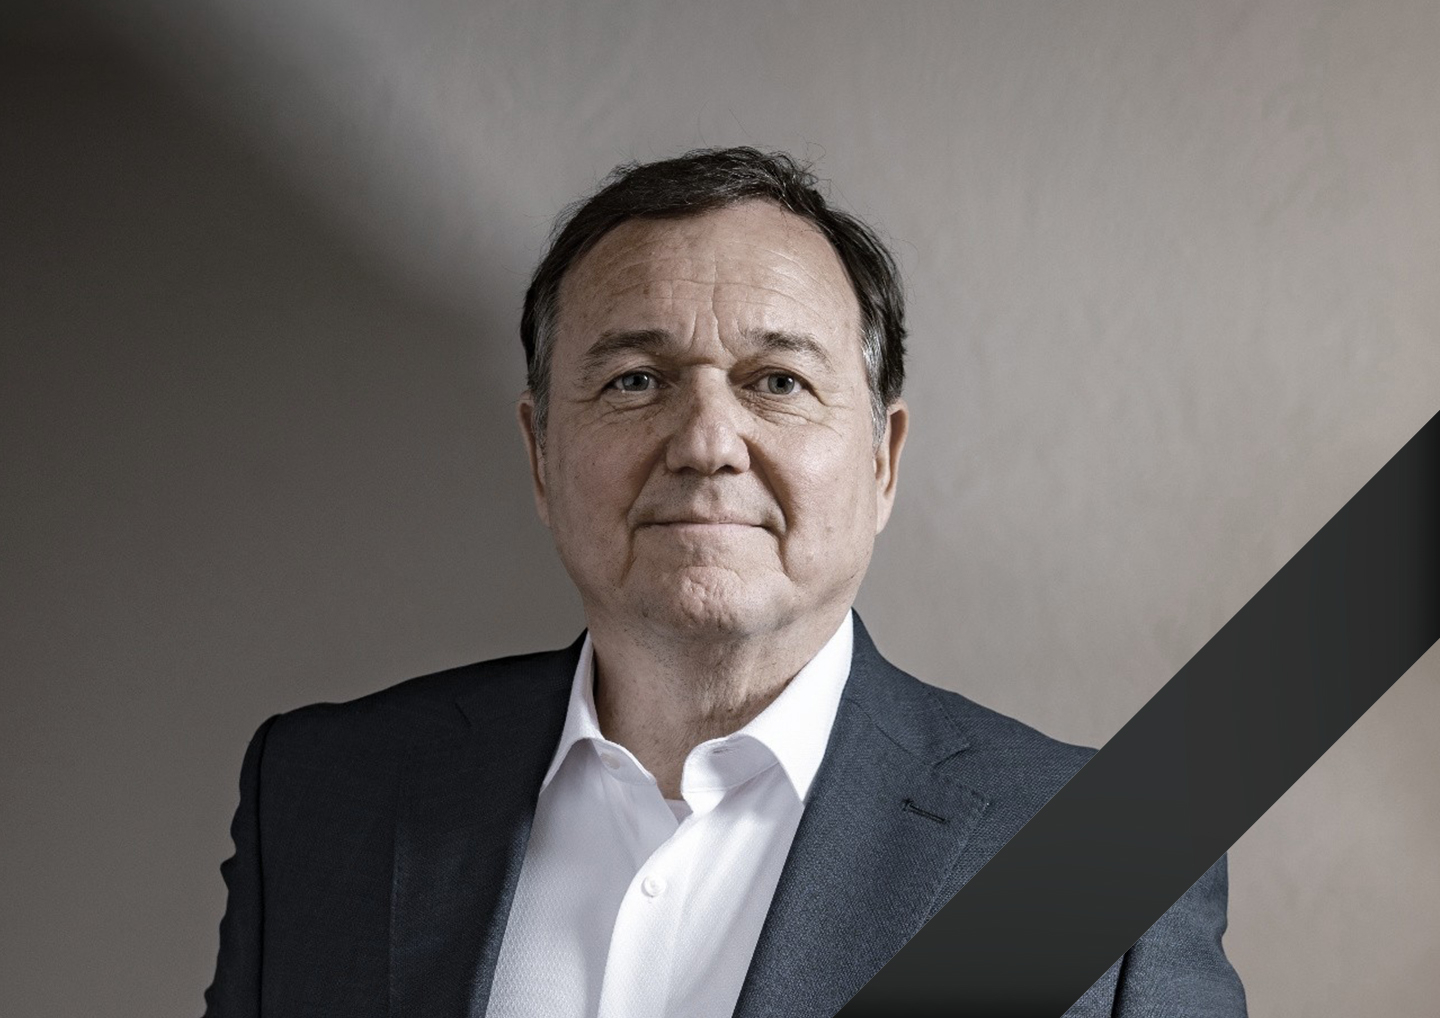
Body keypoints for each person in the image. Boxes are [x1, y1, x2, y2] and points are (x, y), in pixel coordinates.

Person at [201, 147, 1246, 1018]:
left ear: (882, 460)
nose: (705, 442)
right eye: (635, 381)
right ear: (541, 455)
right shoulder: (324, 797)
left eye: (778, 381)